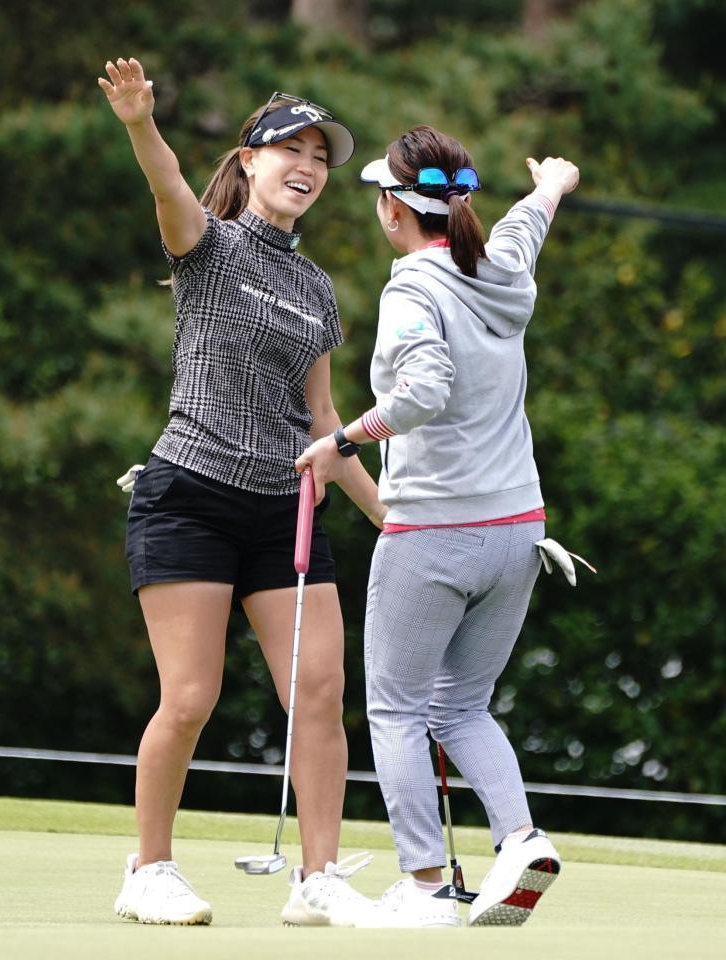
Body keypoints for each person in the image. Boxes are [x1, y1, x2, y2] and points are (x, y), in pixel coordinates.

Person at [97, 57, 384, 928]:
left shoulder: (317, 289)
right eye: (289, 149)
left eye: (320, 157)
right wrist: (142, 121)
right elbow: (169, 184)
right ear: (251, 161)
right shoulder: (207, 246)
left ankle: (320, 879)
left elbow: (325, 422)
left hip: (282, 509)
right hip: (189, 495)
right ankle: (148, 870)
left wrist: (397, 517)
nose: (307, 166)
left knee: (323, 695)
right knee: (188, 700)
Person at [296, 125, 580, 928]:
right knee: (462, 706)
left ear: (392, 209)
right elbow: (526, 225)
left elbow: (421, 391)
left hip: (434, 533)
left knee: (395, 710)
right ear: (457, 204)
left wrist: (341, 441)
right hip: (519, 531)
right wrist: (550, 184)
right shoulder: (503, 268)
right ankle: (521, 839)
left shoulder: (411, 288)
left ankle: (425, 886)